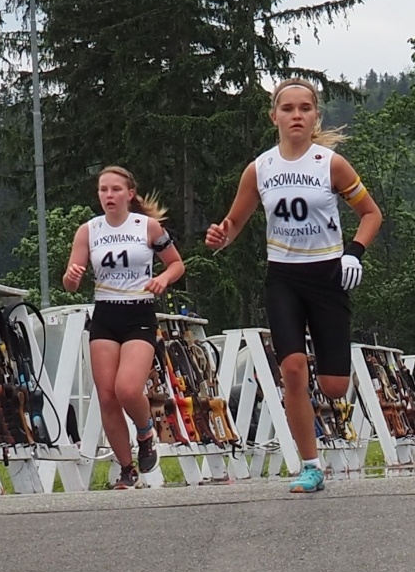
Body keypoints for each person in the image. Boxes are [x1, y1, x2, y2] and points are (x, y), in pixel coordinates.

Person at [205, 77, 383, 493]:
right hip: (283, 276)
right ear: (275, 117)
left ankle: (334, 359)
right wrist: (220, 236)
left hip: (327, 274)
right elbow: (234, 223)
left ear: (315, 115)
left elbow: (372, 214)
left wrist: (353, 252)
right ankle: (310, 465)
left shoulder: (330, 164)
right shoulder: (260, 168)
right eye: (288, 109)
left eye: (305, 108)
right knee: (292, 370)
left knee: (334, 386)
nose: (297, 115)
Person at [62, 166, 185, 489]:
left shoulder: (148, 227)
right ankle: (126, 468)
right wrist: (72, 278)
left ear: (129, 194)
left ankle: (145, 433)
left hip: (139, 313)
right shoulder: (88, 231)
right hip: (105, 314)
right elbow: (70, 281)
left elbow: (176, 263)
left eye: (116, 189)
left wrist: (162, 278)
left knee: (127, 388)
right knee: (106, 396)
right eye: (103, 190)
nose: (109, 196)